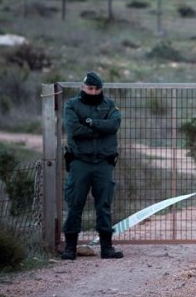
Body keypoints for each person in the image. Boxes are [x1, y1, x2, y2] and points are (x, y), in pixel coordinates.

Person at [61, 71, 124, 260]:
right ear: (83, 87)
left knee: (103, 205)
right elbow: (73, 130)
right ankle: (70, 248)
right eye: (90, 88)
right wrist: (99, 128)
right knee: (75, 204)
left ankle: (107, 248)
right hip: (80, 161)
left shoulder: (109, 105)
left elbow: (113, 126)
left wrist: (89, 123)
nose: (94, 92)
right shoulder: (71, 105)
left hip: (103, 163)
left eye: (97, 89)